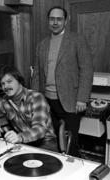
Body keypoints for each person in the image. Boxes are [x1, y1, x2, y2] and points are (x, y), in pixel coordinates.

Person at [31, 6, 93, 156]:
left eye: (59, 19)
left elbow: (87, 70)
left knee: (70, 143)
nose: (55, 22)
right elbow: (37, 73)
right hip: (47, 101)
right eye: (52, 19)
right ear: (48, 21)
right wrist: (34, 98)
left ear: (66, 20)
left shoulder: (77, 40)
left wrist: (82, 98)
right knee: (53, 141)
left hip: (70, 101)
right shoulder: (42, 44)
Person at [0, 66, 58, 152]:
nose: (6, 86)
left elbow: (40, 129)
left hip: (46, 144)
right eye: (3, 84)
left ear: (19, 81)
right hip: (25, 144)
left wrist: (19, 137)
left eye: (9, 81)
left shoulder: (36, 98)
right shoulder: (5, 101)